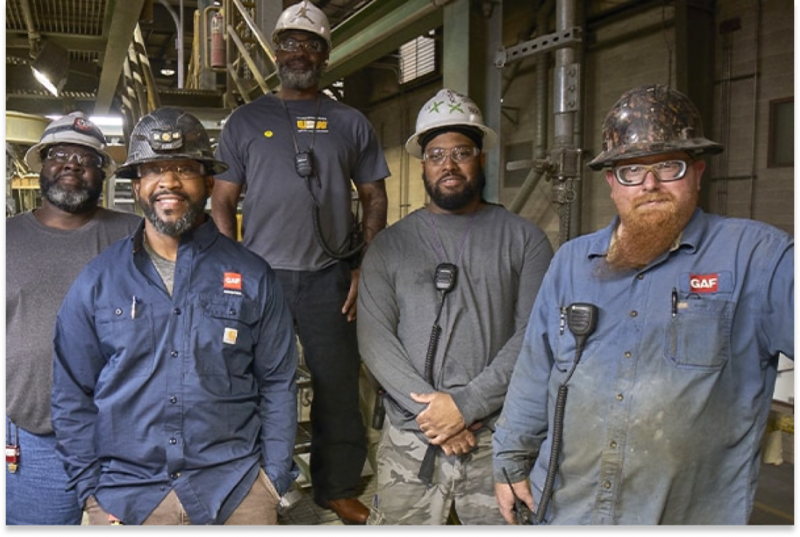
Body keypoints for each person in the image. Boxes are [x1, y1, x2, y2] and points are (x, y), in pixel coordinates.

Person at [493, 84, 796, 526]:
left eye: (667, 166)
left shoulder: (759, 259)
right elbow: (535, 370)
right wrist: (509, 460)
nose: (649, 185)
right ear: (612, 182)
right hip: (563, 509)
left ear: (697, 171)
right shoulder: (573, 262)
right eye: (631, 170)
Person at [50, 107, 299, 526]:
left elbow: (277, 382)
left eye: (184, 168)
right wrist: (91, 492)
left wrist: (272, 477)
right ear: (138, 184)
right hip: (127, 496)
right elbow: (71, 393)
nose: (169, 181)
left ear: (208, 182)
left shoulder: (254, 276)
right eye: (154, 170)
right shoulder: (98, 280)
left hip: (236, 488)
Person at [211, 0, 389, 525]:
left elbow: (374, 198)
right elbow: (222, 202)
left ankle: (335, 486)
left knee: (337, 385)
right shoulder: (245, 121)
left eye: (311, 44)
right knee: (248, 382)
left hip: (329, 278)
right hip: (260, 279)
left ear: (325, 55)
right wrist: (233, 267)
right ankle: (255, 482)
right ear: (275, 52)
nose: (299, 52)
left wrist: (365, 265)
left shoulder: (351, 123)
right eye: (289, 42)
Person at [357, 89, 554, 525]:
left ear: (480, 157)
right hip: (412, 439)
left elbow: (534, 337)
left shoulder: (524, 240)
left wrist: (465, 405)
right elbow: (374, 339)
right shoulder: (389, 246)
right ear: (423, 164)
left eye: (461, 152)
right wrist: (435, 414)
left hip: (497, 442)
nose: (448, 164)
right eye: (436, 154)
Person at [5, 112, 141, 526]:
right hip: (37, 438)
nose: (71, 163)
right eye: (59, 154)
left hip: (130, 437)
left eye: (86, 158)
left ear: (103, 174)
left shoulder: (137, 236)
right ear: (42, 166)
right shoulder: (7, 238)